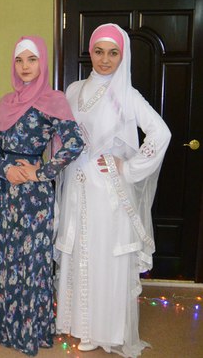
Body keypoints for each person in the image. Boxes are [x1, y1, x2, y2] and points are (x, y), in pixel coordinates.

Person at [55, 24, 171, 357]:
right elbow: (62, 134)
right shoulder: (73, 90)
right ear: (90, 52)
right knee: (79, 250)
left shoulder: (126, 95)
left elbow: (160, 133)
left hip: (107, 190)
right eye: (99, 51)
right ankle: (82, 326)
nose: (105, 59)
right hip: (76, 184)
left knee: (104, 254)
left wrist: (129, 166)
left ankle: (105, 330)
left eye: (113, 53)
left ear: (123, 56)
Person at [0, 36, 84, 355]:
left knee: (31, 259)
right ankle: (2, 324)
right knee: (5, 256)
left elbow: (75, 143)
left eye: (31, 59)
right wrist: (4, 169)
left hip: (33, 196)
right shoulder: (5, 102)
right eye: (19, 60)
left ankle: (29, 329)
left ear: (43, 63)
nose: (25, 66)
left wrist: (41, 172)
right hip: (5, 190)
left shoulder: (53, 100)